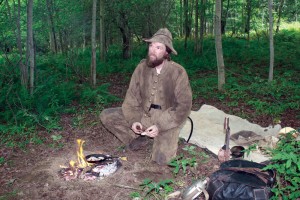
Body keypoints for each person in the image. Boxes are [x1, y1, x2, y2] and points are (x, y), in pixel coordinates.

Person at [100, 28, 192, 165]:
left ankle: (158, 138)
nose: (152, 51)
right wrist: (134, 120)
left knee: (161, 160)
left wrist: (159, 126)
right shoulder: (141, 68)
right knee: (107, 115)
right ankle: (137, 138)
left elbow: (183, 107)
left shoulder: (178, 72)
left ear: (167, 52)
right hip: (144, 115)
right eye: (151, 46)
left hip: (168, 120)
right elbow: (131, 99)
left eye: (158, 47)